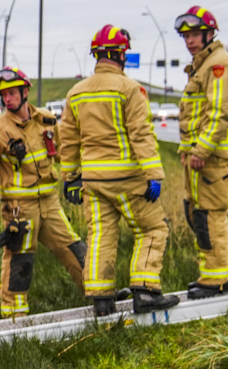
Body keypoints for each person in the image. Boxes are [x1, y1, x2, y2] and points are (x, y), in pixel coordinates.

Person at [57, 25, 173, 315]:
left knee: (101, 236)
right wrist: (154, 174)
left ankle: (101, 298)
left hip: (93, 182)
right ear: (121, 55)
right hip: (127, 179)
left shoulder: (77, 92)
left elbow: (68, 140)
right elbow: (141, 134)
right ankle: (145, 291)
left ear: (96, 55)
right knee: (152, 229)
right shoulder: (129, 89)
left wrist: (70, 179)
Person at [0, 66, 85, 317]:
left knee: (72, 246)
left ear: (25, 91)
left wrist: (74, 178)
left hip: (50, 201)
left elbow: (66, 153)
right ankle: (14, 315)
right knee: (20, 256)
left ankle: (97, 292)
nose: (6, 98)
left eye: (11, 93)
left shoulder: (46, 120)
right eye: (3, 94)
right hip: (19, 206)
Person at [174, 6, 228, 298]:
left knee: (211, 216)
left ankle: (217, 281)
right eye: (185, 36)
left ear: (210, 33)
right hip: (199, 158)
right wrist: (188, 150)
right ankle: (210, 276)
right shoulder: (203, 65)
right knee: (197, 215)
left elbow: (219, 113)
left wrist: (200, 150)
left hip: (211, 158)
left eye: (195, 35)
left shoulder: (219, 64)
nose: (190, 41)